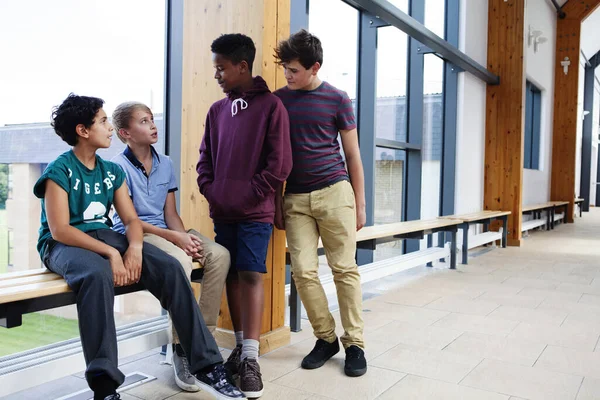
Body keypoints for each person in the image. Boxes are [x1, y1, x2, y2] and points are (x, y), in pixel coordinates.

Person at [34, 94, 245, 400]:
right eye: (103, 121)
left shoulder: (111, 171)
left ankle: (207, 366)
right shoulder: (60, 170)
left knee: (171, 267)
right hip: (61, 245)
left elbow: (131, 221)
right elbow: (60, 229)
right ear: (83, 131)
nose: (109, 128)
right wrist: (110, 253)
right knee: (96, 275)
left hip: (102, 235)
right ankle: (105, 388)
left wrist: (134, 248)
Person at [110, 101, 231, 393]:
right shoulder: (116, 167)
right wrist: (176, 241)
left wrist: (185, 238)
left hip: (166, 229)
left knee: (220, 255)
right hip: (137, 234)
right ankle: (182, 350)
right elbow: (131, 220)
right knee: (180, 262)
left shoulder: (166, 163)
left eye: (152, 119)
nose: (153, 125)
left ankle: (202, 337)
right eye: (143, 121)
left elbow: (171, 213)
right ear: (126, 133)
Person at [196, 33, 292, 398]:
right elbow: (204, 159)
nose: (217, 75)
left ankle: (251, 360)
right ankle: (239, 348)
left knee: (251, 273)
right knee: (232, 274)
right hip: (224, 210)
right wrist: (212, 189)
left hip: (255, 211)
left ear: (242, 66)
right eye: (215, 68)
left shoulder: (271, 106)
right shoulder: (216, 111)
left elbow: (280, 163)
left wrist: (250, 194)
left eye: (222, 68)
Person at [273, 29, 368, 377]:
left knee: (344, 269)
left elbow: (353, 154)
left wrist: (359, 203)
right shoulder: (278, 100)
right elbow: (272, 158)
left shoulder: (338, 99)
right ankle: (326, 338)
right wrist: (276, 202)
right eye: (285, 68)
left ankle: (355, 343)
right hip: (295, 197)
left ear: (314, 67)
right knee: (302, 271)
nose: (287, 75)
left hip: (335, 191)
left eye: (294, 69)